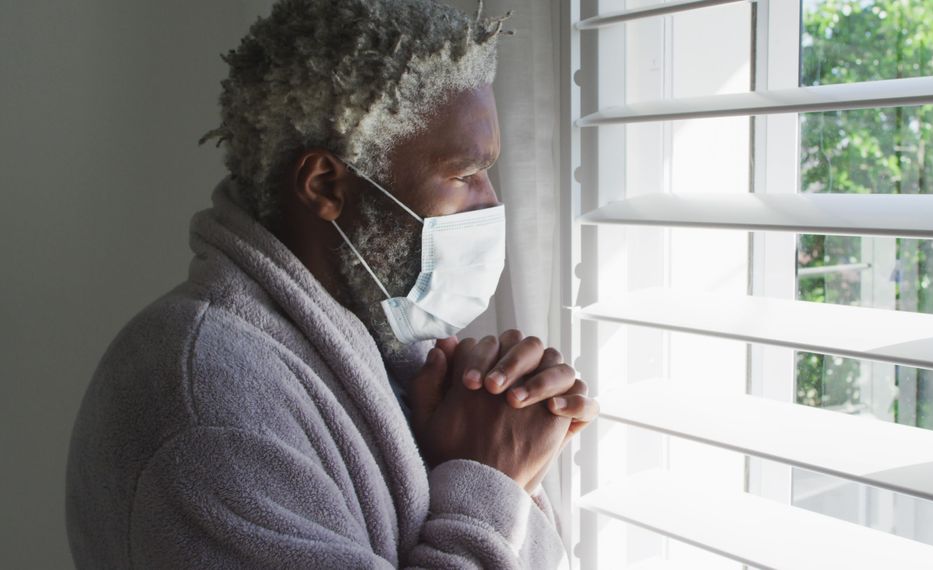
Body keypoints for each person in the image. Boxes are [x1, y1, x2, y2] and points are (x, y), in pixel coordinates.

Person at [64, 0, 597, 567]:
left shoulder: (386, 344)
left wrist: (489, 443)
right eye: (464, 175)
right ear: (324, 185)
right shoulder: (204, 411)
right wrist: (488, 480)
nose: (492, 203)